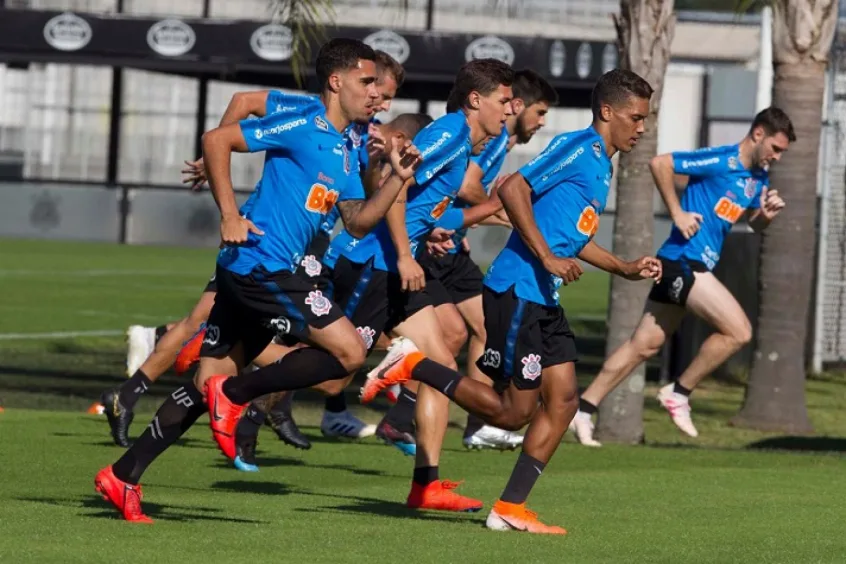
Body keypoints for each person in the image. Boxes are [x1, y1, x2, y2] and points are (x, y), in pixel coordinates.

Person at [94, 38, 421, 523]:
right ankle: (238, 396)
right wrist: (228, 212)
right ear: (337, 82)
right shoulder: (303, 123)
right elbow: (216, 139)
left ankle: (123, 476)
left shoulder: (349, 145)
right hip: (262, 265)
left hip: (256, 270)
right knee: (349, 353)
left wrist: (398, 178)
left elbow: (356, 220)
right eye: (367, 81)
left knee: (208, 383)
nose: (377, 94)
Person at [359, 68, 661, 533]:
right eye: (635, 117)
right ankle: (412, 366)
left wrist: (622, 266)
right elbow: (512, 188)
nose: (642, 127)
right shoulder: (578, 148)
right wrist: (545, 255)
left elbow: (571, 235)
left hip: (544, 295)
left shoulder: (602, 161)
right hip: (518, 290)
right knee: (512, 413)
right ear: (607, 112)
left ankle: (510, 509)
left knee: (562, 401)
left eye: (646, 119)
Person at [314, 57, 514, 512]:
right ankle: (221, 361)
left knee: (440, 362)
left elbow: (427, 208)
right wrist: (406, 254)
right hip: (375, 264)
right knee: (327, 372)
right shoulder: (449, 133)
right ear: (476, 100)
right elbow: (395, 186)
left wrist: (440, 230)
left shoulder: (462, 143)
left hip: (398, 266)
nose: (508, 111)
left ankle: (426, 483)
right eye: (503, 101)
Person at [569, 106, 792, 446]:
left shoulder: (757, 179)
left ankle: (583, 409)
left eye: (782, 153)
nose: (776, 157)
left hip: (688, 264)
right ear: (758, 134)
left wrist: (766, 215)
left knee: (642, 347)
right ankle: (679, 392)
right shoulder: (722, 159)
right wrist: (677, 213)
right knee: (739, 331)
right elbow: (660, 163)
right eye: (775, 149)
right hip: (683, 261)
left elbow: (753, 223)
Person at [380, 69, 558, 453]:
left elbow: (435, 194)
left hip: (432, 243)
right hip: (398, 252)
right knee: (342, 356)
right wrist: (505, 209)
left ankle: (417, 443)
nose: (541, 123)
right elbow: (429, 187)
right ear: (513, 105)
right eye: (539, 112)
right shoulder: (471, 137)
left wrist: (438, 228)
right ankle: (472, 421)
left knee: (453, 340)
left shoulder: (479, 139)